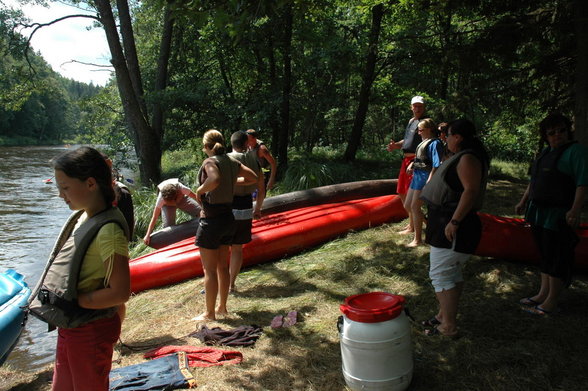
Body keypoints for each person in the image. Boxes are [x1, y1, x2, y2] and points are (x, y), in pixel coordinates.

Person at [33, 146, 131, 390]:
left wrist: (78, 302)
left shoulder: (109, 231)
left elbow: (120, 292)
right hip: (71, 326)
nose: (60, 195)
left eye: (65, 187)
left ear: (90, 184)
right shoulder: (85, 216)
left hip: (90, 330)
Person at [420, 119, 490, 337]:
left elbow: (471, 191)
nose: (445, 138)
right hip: (445, 220)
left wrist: (455, 221)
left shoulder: (468, 158)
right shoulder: (461, 156)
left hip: (454, 224)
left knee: (440, 274)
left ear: (458, 137)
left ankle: (448, 326)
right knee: (451, 273)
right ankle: (443, 315)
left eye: (447, 134)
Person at [515, 113, 588, 315]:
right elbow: (535, 181)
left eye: (562, 131)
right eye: (552, 133)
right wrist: (523, 201)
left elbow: (583, 183)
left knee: (557, 256)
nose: (558, 135)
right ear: (546, 137)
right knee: (545, 253)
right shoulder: (545, 153)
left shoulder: (576, 152)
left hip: (559, 214)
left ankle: (551, 301)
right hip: (539, 212)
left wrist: (575, 209)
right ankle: (542, 293)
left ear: (568, 131)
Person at [193, 129, 257, 321]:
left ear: (206, 146)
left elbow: (214, 178)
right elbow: (253, 177)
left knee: (210, 270)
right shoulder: (231, 161)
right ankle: (222, 307)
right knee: (222, 267)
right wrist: (231, 182)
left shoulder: (210, 161)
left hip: (211, 221)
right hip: (229, 219)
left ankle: (209, 313)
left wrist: (200, 189)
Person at [228, 131, 266, 292]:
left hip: (227, 206)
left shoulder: (226, 159)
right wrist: (257, 209)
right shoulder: (253, 159)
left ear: (232, 143)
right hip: (245, 206)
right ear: (246, 144)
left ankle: (220, 281)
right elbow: (261, 188)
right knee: (237, 249)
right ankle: (231, 284)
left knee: (223, 247)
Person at [387, 96, 426, 234]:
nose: (417, 109)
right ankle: (411, 224)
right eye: (415, 106)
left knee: (411, 194)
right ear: (411, 107)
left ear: (424, 107)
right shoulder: (411, 121)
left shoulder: (425, 122)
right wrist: (395, 146)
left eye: (420, 106)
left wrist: (419, 161)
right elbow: (407, 140)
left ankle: (416, 226)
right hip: (405, 161)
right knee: (402, 192)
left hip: (416, 161)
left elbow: (428, 141)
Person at [404, 119, 443, 247]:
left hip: (425, 178)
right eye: (418, 130)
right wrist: (412, 163)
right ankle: (431, 225)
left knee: (415, 207)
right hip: (417, 177)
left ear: (429, 130)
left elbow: (436, 164)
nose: (418, 133)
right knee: (408, 205)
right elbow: (422, 160)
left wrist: (429, 181)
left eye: (420, 130)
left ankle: (418, 240)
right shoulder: (424, 142)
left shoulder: (435, 143)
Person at [143, 178, 200, 246]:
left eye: (173, 202)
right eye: (170, 202)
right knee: (168, 229)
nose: (174, 204)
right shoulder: (161, 199)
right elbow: (154, 217)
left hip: (182, 200)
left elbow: (197, 197)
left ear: (178, 194)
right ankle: (174, 245)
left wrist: (207, 209)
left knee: (201, 212)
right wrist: (147, 235)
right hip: (167, 206)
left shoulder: (182, 188)